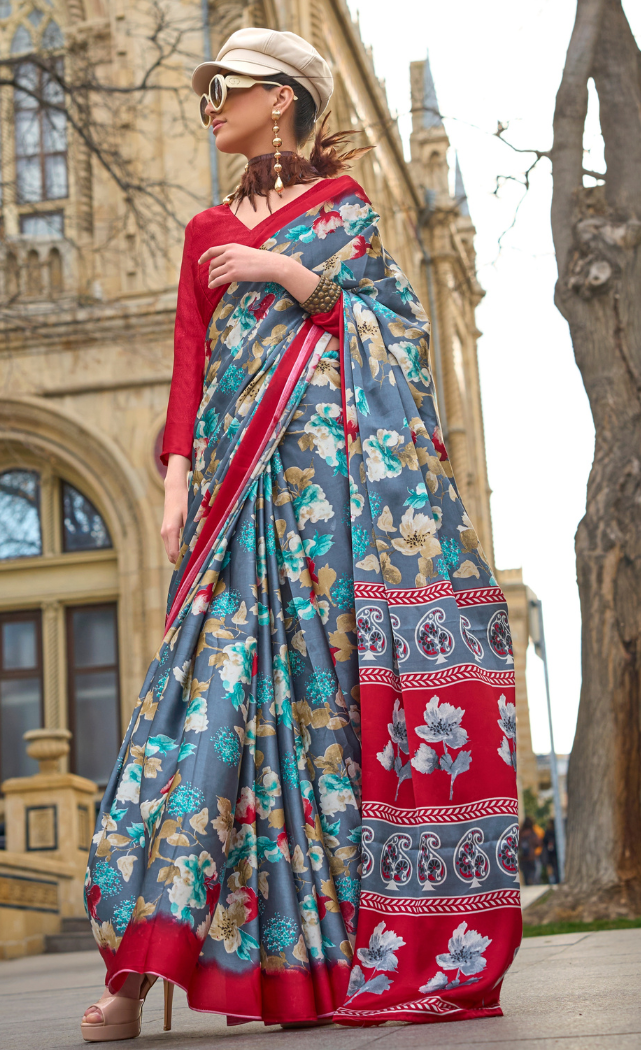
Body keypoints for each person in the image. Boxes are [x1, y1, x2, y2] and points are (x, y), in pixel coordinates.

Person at [80, 27, 521, 1039]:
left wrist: (285, 272)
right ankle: (133, 982)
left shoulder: (346, 215)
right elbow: (188, 362)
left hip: (333, 506)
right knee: (199, 715)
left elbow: (396, 337)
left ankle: (302, 974)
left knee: (318, 729)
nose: (208, 105)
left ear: (282, 98)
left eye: (223, 88)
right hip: (231, 503)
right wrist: (176, 481)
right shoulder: (200, 230)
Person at [518, 816, 542, 887]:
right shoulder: (532, 833)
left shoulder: (520, 832)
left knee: (525, 873)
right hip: (531, 857)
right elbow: (538, 843)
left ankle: (528, 884)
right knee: (533, 872)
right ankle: (533, 883)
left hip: (523, 857)